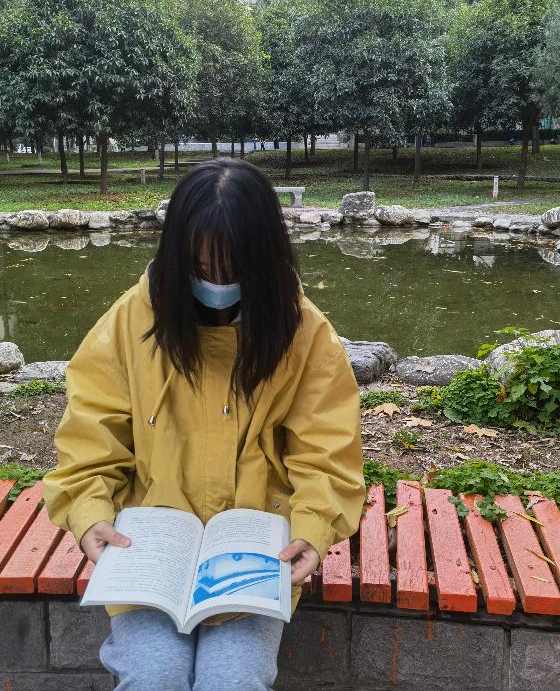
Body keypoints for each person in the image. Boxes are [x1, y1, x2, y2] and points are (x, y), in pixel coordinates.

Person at [42, 158, 365, 691]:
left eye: (232, 268)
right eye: (201, 266)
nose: (216, 283)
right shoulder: (131, 321)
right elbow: (91, 439)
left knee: (232, 680)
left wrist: (313, 529)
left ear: (264, 258)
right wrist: (90, 511)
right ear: (176, 253)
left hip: (255, 554)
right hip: (149, 550)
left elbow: (326, 455)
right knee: (153, 676)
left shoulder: (305, 333)